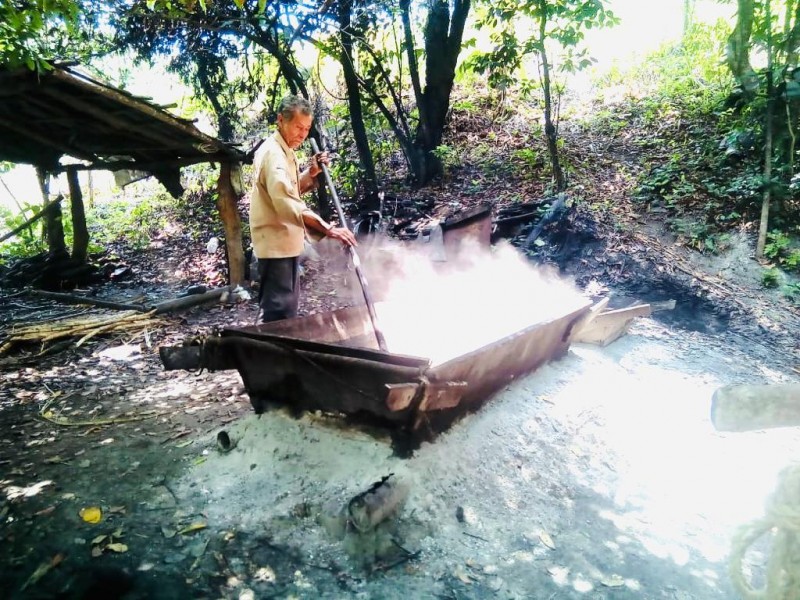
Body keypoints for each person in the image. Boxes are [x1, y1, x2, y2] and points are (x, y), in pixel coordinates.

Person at [249, 95, 357, 323]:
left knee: (285, 309)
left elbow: (291, 188)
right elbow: (285, 201)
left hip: (285, 242)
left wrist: (312, 172)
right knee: (277, 313)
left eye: (307, 129)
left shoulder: (284, 150)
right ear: (281, 120)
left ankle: (273, 352)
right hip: (275, 244)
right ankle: (263, 355)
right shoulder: (273, 154)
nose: (303, 134)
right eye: (298, 127)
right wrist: (327, 228)